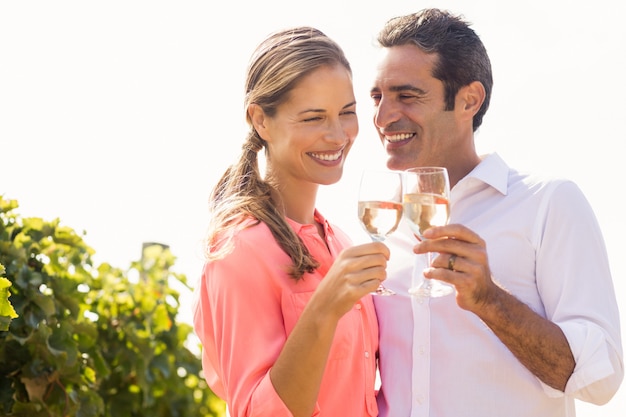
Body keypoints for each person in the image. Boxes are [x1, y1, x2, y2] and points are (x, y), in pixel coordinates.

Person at [370, 8, 623, 416]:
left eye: (407, 96)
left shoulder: (549, 203)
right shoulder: (379, 225)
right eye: (377, 97)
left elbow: (601, 380)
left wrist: (489, 299)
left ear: (469, 100)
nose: (382, 117)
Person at [191, 26, 387, 417]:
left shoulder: (341, 242)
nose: (337, 135)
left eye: (347, 113)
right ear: (260, 120)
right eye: (314, 118)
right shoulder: (239, 251)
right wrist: (325, 307)